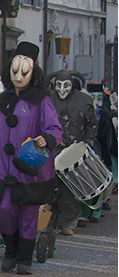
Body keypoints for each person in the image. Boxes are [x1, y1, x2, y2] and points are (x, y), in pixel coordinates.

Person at [0, 41, 62, 275]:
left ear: (33, 72)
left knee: (29, 214)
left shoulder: (41, 100)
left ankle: (24, 259)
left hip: (29, 170)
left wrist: (46, 138)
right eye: (15, 72)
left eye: (24, 72)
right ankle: (9, 253)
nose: (19, 77)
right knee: (5, 211)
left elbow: (54, 128)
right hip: (6, 169)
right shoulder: (3, 100)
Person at [47, 70, 97, 235]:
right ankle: (49, 219)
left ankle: (68, 222)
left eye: (66, 85)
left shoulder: (84, 101)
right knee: (50, 186)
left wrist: (88, 144)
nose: (62, 90)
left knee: (70, 187)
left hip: (73, 149)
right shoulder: (48, 100)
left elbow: (91, 125)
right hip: (51, 148)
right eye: (59, 85)